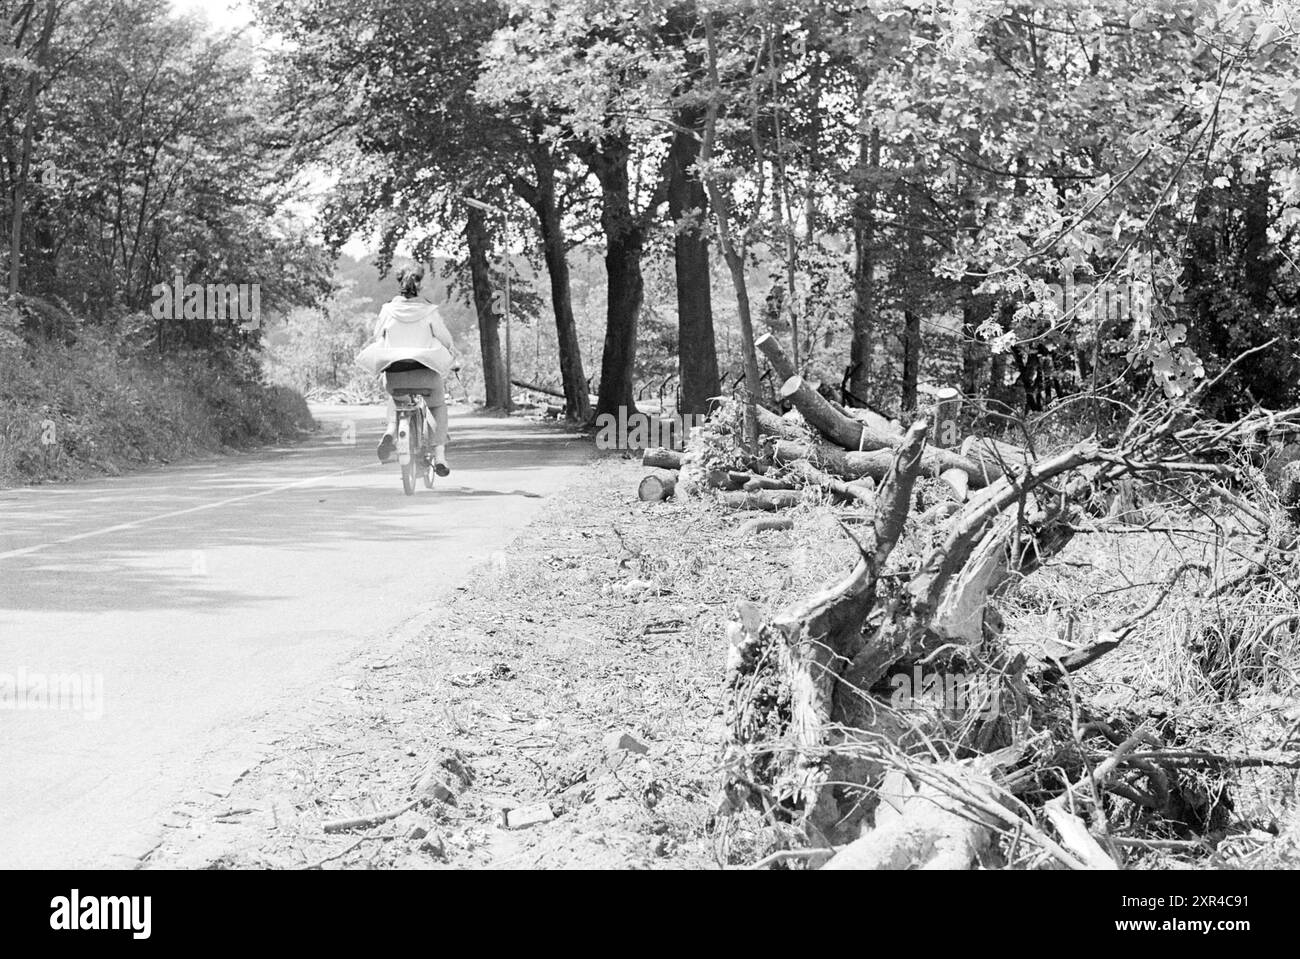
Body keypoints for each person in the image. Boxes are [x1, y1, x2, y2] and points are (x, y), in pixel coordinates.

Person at [372, 266, 455, 473]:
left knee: (396, 398)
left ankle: (391, 430)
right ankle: (440, 456)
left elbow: (377, 338)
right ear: (421, 284)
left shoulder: (387, 310)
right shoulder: (428, 311)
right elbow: (446, 339)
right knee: (436, 407)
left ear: (399, 283)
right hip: (426, 374)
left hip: (394, 376)